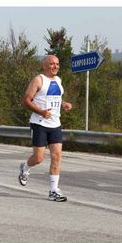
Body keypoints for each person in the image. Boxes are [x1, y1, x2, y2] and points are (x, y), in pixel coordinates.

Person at [18, 54, 72, 202]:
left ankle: (54, 190)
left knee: (57, 156)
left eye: (57, 64)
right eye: (52, 64)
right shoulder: (38, 80)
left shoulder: (58, 80)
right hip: (39, 123)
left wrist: (64, 103)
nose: (55, 67)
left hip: (55, 124)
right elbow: (26, 100)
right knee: (38, 158)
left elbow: (55, 98)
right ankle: (25, 167)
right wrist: (41, 111)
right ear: (44, 65)